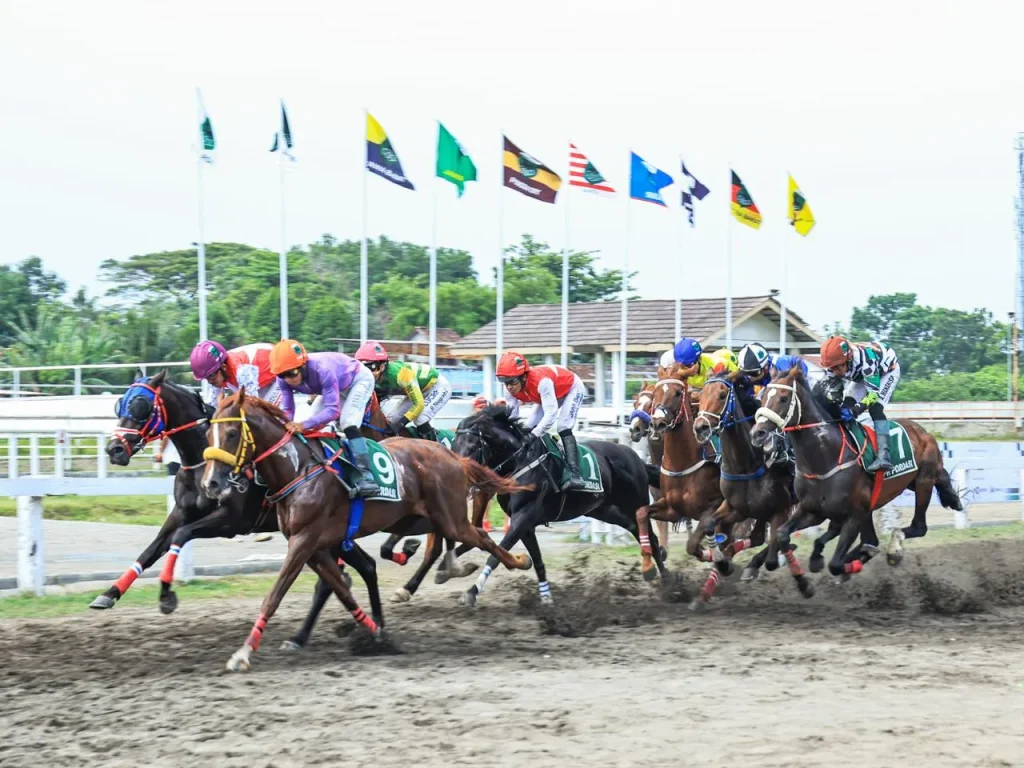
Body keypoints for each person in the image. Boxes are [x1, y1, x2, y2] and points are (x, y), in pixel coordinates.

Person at [269, 339, 380, 498]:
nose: (289, 379)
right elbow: (287, 410)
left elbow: (333, 411)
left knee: (347, 423)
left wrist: (302, 425)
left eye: (292, 373)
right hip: (336, 386)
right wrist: (285, 425)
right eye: (282, 375)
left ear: (303, 365)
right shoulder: (284, 380)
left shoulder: (322, 370)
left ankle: (367, 476)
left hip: (358, 380)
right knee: (312, 422)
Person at [496, 351, 588, 491]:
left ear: (524, 376)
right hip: (549, 395)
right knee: (527, 426)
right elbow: (512, 418)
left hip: (571, 388)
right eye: (505, 382)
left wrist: (534, 435)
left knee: (563, 426)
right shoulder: (509, 390)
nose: (509, 387)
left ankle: (575, 475)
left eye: (512, 382)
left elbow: (551, 414)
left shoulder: (542, 382)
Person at [820, 335, 901, 472]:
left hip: (886, 373)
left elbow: (873, 395)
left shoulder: (866, 361)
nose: (834, 372)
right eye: (831, 368)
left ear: (848, 359)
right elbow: (824, 388)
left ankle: (884, 455)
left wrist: (856, 411)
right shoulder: (835, 365)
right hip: (863, 376)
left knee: (875, 408)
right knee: (845, 406)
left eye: (837, 368)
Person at [353, 341, 451, 443]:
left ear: (382, 366)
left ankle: (435, 449)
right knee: (391, 419)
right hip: (417, 389)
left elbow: (419, 404)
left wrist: (401, 423)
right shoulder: (372, 378)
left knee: (420, 419)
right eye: (363, 369)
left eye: (371, 368)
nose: (367, 373)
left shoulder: (400, 374)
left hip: (437, 386)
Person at [189, 341, 281, 407]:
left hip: (281, 371)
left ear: (223, 367)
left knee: (265, 417)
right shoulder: (216, 374)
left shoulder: (241, 371)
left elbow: (251, 404)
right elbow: (213, 408)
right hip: (260, 381)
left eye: (211, 376)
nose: (209, 381)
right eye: (206, 378)